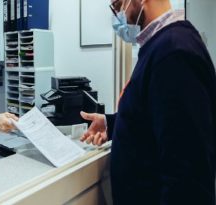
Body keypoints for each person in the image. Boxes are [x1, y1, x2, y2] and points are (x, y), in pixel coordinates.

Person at [80, 0, 216, 204]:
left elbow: (187, 178)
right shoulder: (160, 46)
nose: (117, 15)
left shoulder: (174, 53)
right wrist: (112, 123)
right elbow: (156, 117)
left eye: (117, 5)